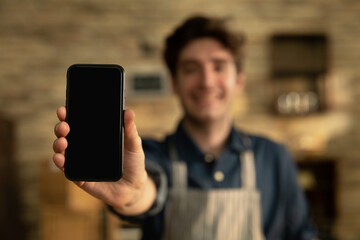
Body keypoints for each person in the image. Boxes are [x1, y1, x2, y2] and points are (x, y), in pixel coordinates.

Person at [53, 15, 316, 240]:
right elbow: (148, 189)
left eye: (219, 66)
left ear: (239, 81)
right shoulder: (150, 154)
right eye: (191, 68)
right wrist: (133, 195)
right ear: (174, 83)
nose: (206, 81)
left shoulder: (274, 157)